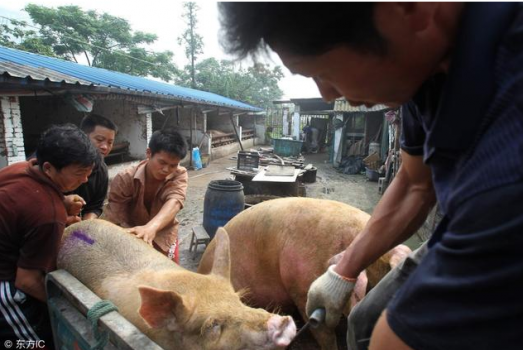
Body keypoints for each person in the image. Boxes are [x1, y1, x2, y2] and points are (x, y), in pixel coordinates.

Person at [218, 3, 523, 350]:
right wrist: (343, 270)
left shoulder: (505, 166)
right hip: (473, 228)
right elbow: (414, 183)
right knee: (363, 322)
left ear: (409, 9)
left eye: (324, 72)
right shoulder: (421, 71)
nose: (326, 94)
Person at [0, 124, 97, 345]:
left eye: (89, 172)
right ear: (49, 168)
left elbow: (23, 200)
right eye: (80, 173)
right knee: (38, 341)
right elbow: (27, 281)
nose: (85, 180)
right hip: (6, 285)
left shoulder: (19, 168)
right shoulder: (48, 214)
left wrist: (62, 201)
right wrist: (65, 308)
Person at [104, 128, 188, 264]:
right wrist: (135, 238)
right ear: (149, 153)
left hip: (164, 235)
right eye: (162, 162)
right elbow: (116, 217)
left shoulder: (179, 174)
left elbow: (175, 201)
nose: (166, 170)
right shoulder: (124, 178)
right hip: (130, 235)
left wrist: (151, 228)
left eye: (173, 165)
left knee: (169, 274)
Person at [71, 114, 118, 221]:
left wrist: (88, 224)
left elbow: (95, 206)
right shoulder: (63, 163)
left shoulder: (102, 171)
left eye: (110, 142)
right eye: (99, 140)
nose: (105, 147)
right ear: (83, 136)